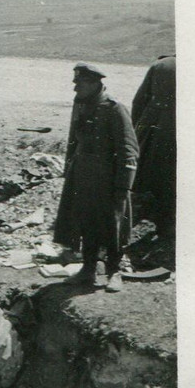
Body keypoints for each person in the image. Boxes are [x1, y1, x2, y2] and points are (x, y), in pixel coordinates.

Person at [54, 63, 139, 292]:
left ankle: (114, 272)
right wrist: (69, 170)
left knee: (113, 226)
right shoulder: (81, 106)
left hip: (108, 180)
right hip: (83, 178)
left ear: (94, 83)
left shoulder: (114, 109)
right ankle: (88, 270)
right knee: (86, 222)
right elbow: (74, 140)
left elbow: (129, 150)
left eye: (79, 84)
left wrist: (124, 186)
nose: (75, 89)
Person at [131, 54, 177, 240]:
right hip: (182, 128)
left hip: (153, 127)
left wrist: (137, 129)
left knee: (145, 175)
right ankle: (167, 226)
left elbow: (139, 101)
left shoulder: (161, 65)